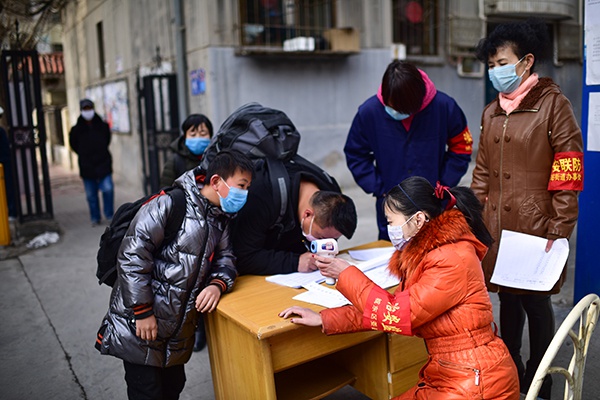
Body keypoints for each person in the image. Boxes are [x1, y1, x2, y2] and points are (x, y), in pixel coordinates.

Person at [280, 176, 520, 399]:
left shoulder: (451, 259)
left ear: (417, 219)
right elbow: (390, 307)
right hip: (454, 371)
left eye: (390, 221)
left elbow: (396, 314)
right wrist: (325, 319)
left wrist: (345, 274)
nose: (388, 229)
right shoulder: (429, 254)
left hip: (475, 379)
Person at [471, 18, 584, 399]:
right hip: (498, 226)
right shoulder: (490, 113)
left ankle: (542, 373)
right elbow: (482, 171)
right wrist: (474, 218)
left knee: (536, 301)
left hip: (538, 226)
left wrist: (560, 224)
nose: (495, 71)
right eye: (490, 65)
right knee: (506, 297)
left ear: (527, 61)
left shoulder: (553, 105)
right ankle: (513, 367)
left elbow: (568, 166)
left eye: (502, 62)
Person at [95, 149, 253, 400]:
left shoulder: (220, 219)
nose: (244, 194)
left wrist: (217, 284)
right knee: (147, 392)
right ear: (216, 181)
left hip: (178, 329)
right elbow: (132, 255)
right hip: (142, 325)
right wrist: (142, 310)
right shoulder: (171, 203)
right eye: (241, 186)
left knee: (173, 387)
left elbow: (226, 260)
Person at [344, 60, 473, 241]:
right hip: (391, 206)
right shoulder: (369, 112)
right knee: (392, 260)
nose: (396, 112)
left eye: (403, 108)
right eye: (392, 107)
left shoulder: (444, 107)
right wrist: (379, 188)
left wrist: (443, 183)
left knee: (436, 257)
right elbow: (355, 153)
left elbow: (461, 147)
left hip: (434, 204)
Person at [232, 159, 357, 276]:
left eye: (334, 239)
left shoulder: (330, 191)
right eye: (321, 238)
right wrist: (295, 262)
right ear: (307, 215)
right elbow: (244, 257)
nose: (325, 244)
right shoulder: (262, 196)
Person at [69, 99, 114, 226]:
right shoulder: (76, 129)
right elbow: (74, 145)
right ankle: (95, 217)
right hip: (87, 165)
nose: (88, 111)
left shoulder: (102, 126)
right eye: (85, 109)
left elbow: (107, 140)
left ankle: (109, 214)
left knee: (108, 189)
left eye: (89, 108)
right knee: (91, 195)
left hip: (103, 163)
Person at [160, 113, 214, 188]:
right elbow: (165, 190)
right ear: (185, 136)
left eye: (203, 134)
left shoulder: (216, 157)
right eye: (193, 135)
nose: (197, 138)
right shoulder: (175, 161)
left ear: (210, 136)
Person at [0, 106, 17, 219]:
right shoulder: (1, 132)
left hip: (4, 166)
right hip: (4, 165)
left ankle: (11, 212)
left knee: (8, 190)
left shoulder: (1, 132)